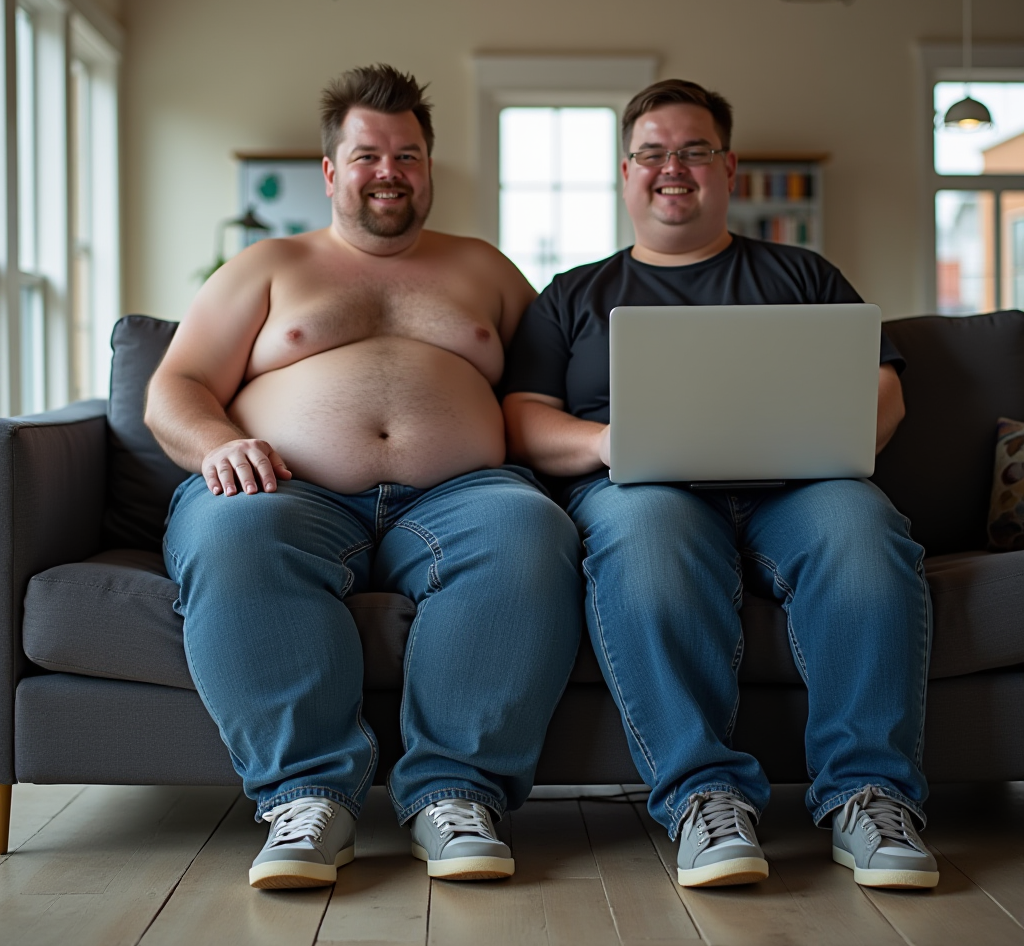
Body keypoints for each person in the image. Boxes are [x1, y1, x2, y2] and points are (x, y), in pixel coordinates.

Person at [145, 64, 581, 890]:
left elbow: (559, 383)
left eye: (408, 156)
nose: (390, 171)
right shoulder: (267, 265)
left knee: (533, 535)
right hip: (287, 490)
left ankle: (458, 795)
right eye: (369, 154)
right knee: (231, 534)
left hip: (464, 494)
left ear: (428, 167)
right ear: (331, 170)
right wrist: (214, 444)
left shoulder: (486, 269)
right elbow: (176, 385)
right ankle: (307, 801)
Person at [502, 79, 938, 890]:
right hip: (641, 485)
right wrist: (608, 442)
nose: (674, 167)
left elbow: (885, 387)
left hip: (799, 485)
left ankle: (870, 795)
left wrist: (839, 441)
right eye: (653, 153)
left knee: (864, 532)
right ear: (626, 171)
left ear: (729, 167)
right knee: (647, 543)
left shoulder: (802, 274)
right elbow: (524, 417)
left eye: (695, 150)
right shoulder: (572, 294)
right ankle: (705, 798)